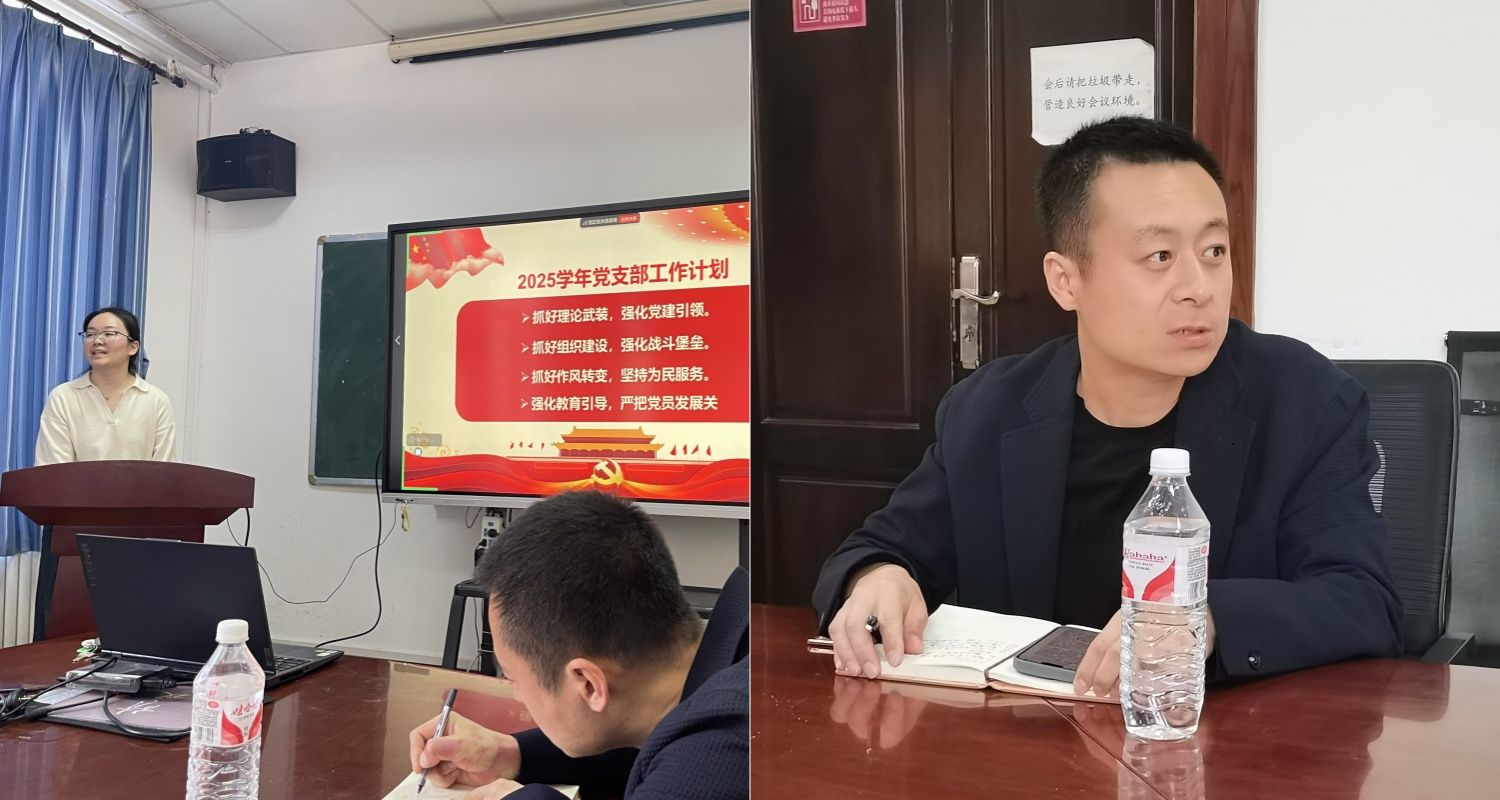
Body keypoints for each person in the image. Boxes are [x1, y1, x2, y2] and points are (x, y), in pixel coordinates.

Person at [814, 116, 1402, 698]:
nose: (1199, 287)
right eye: (1160, 256)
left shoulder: (1304, 401)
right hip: (1023, 736)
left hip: (1207, 735)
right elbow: (880, 549)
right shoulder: (988, 410)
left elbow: (1363, 600)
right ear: (1065, 281)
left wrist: (1207, 620)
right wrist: (877, 575)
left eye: (1214, 250)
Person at [409, 491, 748, 799]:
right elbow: (641, 748)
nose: (516, 695)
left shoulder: (722, 754)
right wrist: (512, 754)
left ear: (587, 683)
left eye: (512, 678)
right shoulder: (739, 640)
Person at [34, 306, 175, 465]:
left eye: (108, 334)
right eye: (90, 334)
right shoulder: (63, 397)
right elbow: (53, 469)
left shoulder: (156, 400)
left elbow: (164, 470)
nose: (97, 341)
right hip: (75, 483)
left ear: (133, 347)